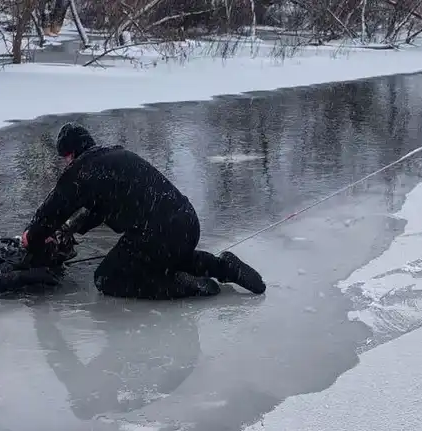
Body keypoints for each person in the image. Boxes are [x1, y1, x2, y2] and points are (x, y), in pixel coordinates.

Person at [20, 122, 267, 300]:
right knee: (170, 258)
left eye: (65, 158)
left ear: (70, 153)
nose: (66, 163)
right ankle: (224, 267)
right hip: (186, 223)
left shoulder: (81, 171)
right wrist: (71, 227)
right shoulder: (117, 156)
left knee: (107, 279)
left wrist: (32, 237)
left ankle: (183, 286)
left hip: (154, 232)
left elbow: (49, 212)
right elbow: (103, 207)